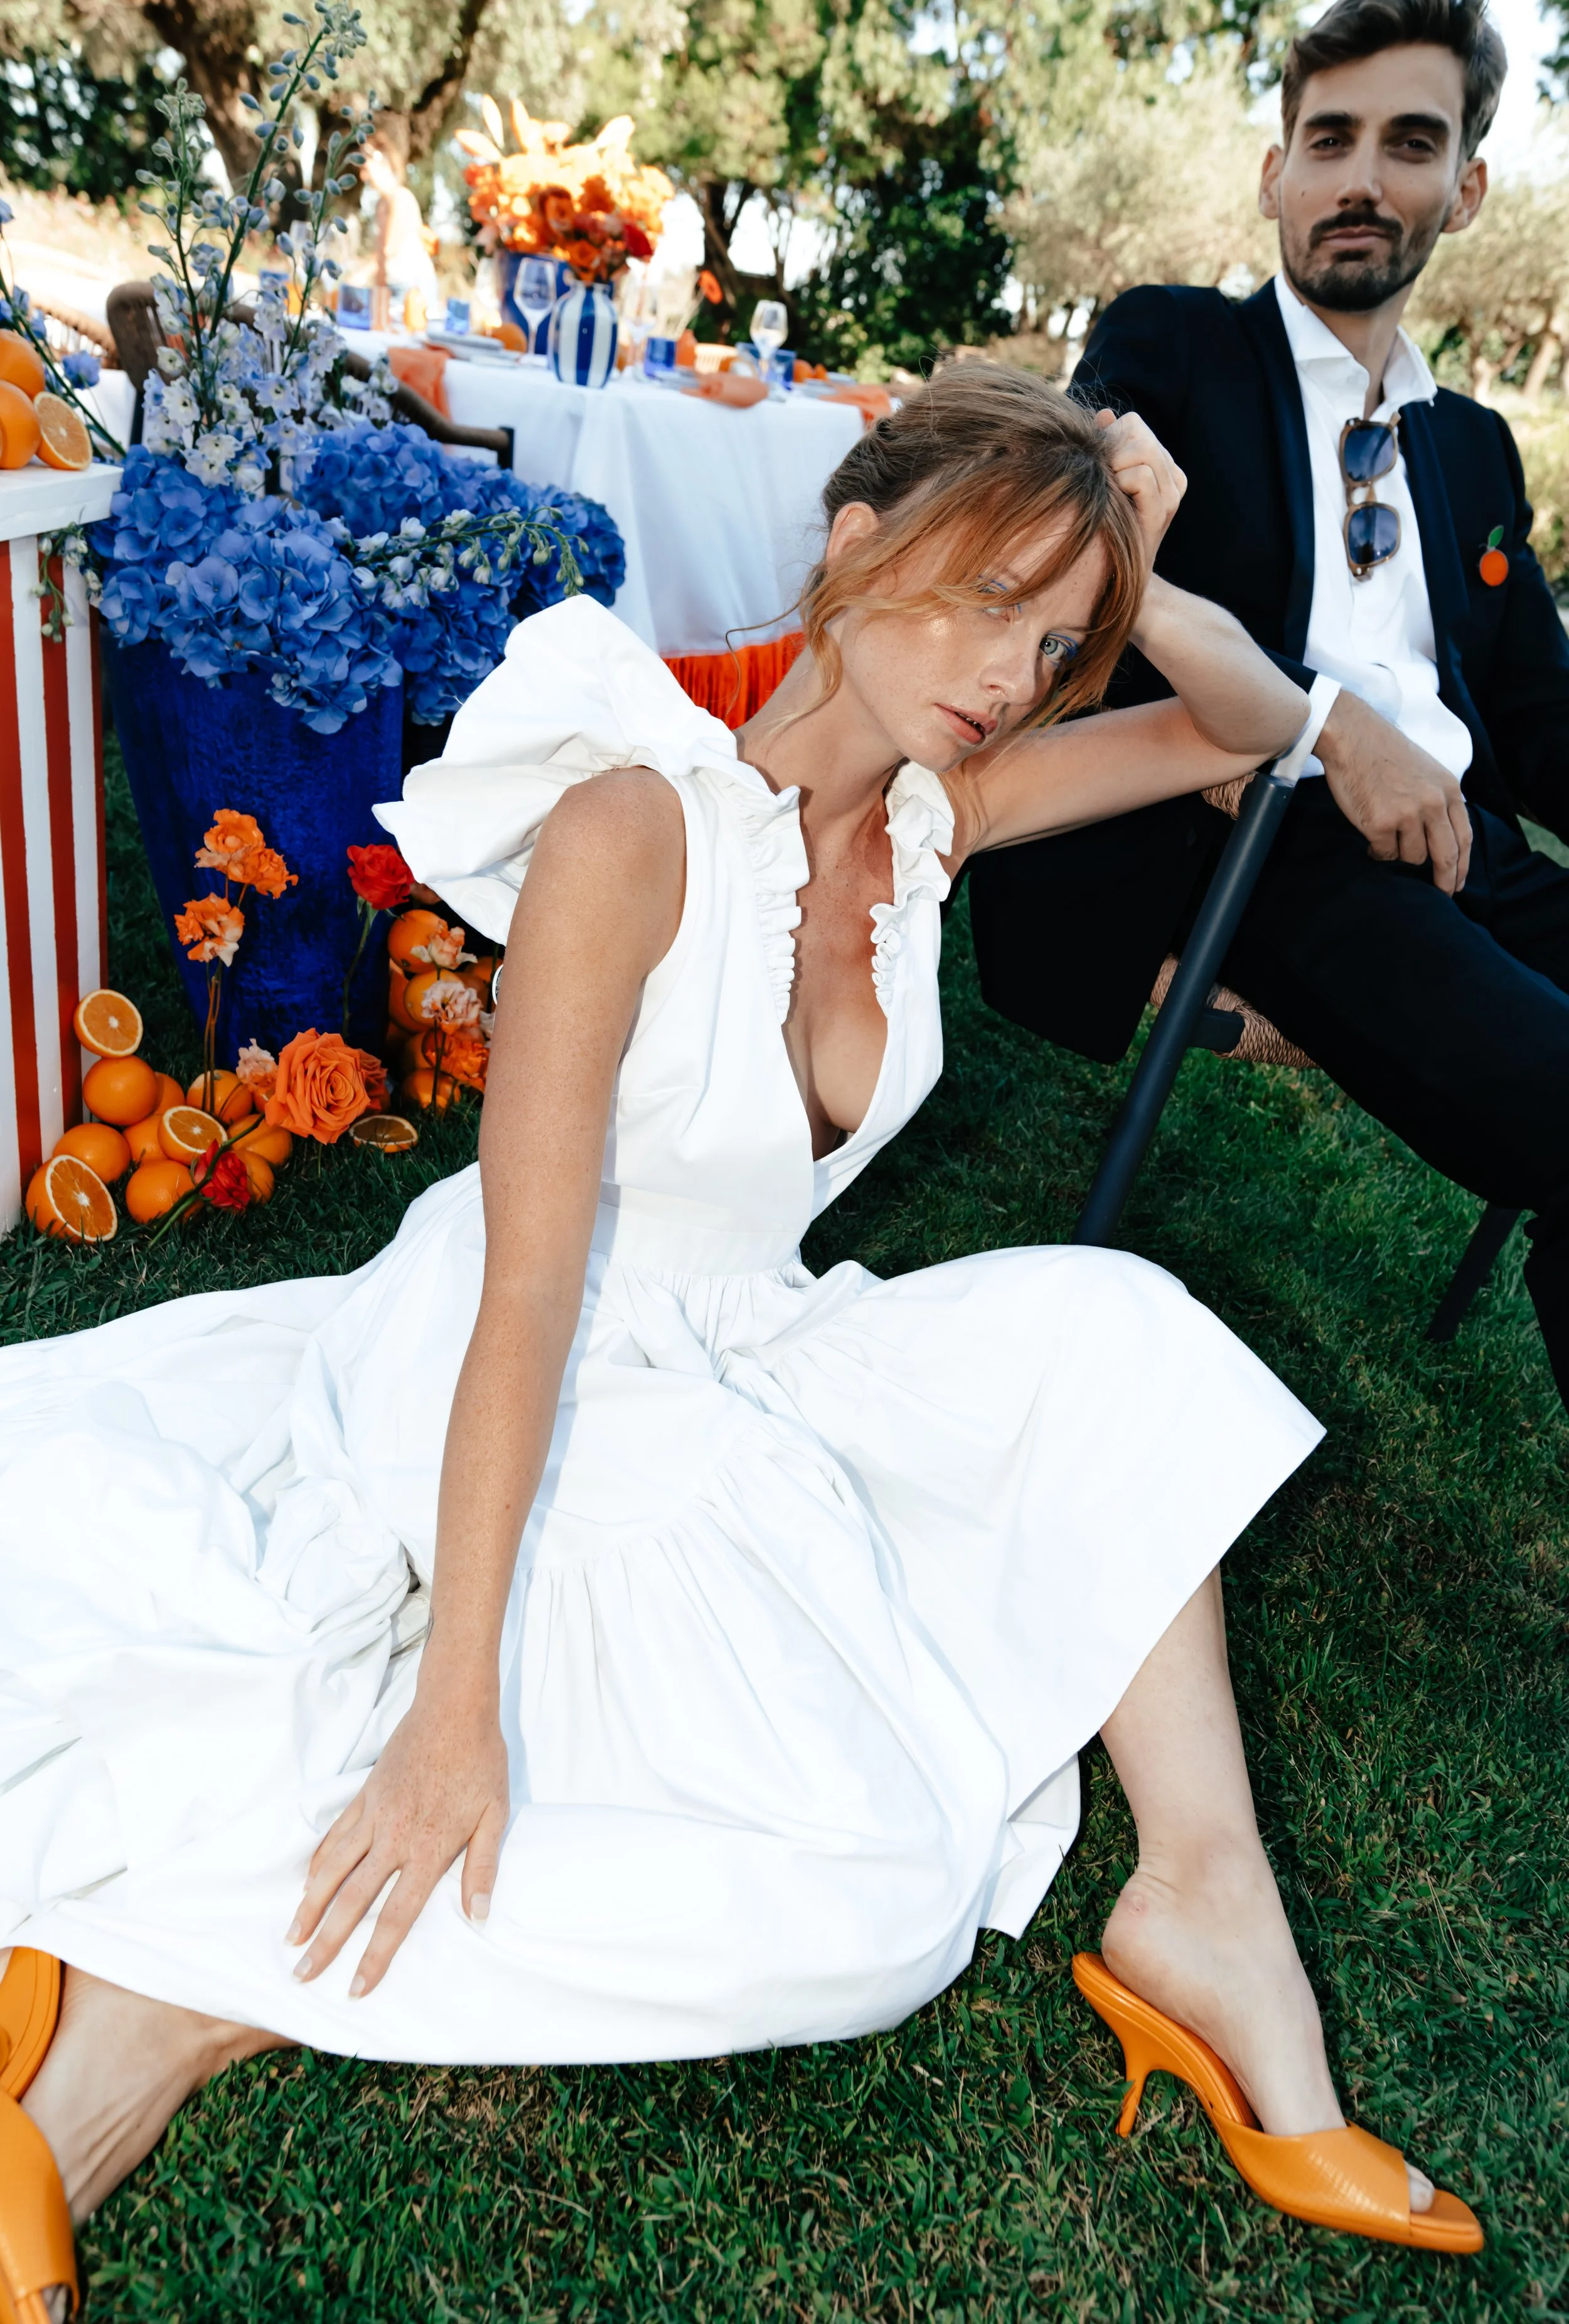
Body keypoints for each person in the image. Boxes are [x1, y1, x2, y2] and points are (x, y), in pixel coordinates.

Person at [0, 370, 1481, 2321]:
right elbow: (529, 1282)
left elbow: (1258, 728)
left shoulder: (945, 819)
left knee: (1118, 1332)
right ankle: (146, 2006)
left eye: (1053, 641)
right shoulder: (635, 820)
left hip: (745, 1340)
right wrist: (455, 1713)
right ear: (852, 546)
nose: (1007, 672)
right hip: (519, 1339)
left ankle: (1202, 1904)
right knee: (869, 1897)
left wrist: (1133, 543)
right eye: (977, 600)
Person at [970, 0, 1569, 1411]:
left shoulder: (1474, 448)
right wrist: (1326, 721)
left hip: (1475, 849)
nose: (1363, 179)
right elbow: (1088, 556)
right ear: (1275, 171)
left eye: (1409, 144)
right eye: (1331, 138)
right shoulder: (1172, 345)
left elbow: (1541, 720)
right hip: (1265, 834)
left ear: (1467, 187)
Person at [363, 129, 439, 328]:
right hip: (393, 286)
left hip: (412, 289)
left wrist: (354, 278)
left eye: (366, 167)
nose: (363, 176)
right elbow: (380, 259)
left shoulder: (402, 199)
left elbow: (388, 251)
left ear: (383, 163)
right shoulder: (382, 204)